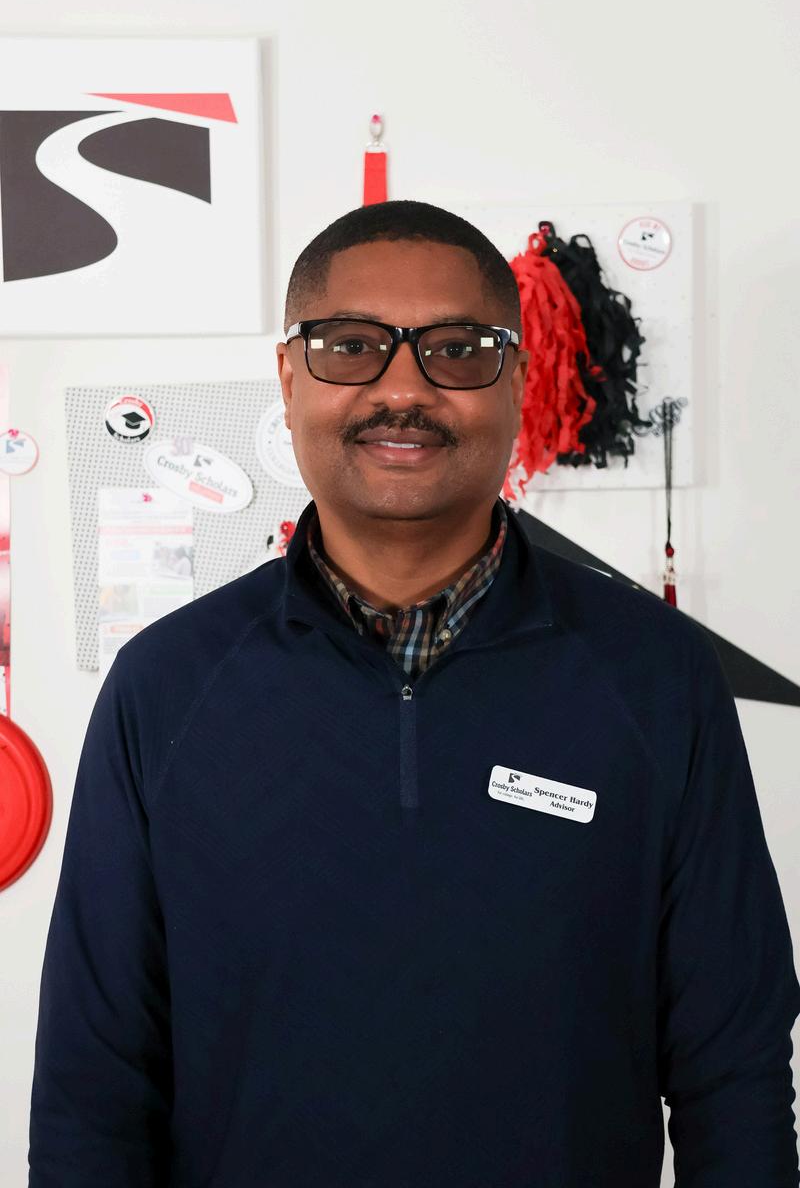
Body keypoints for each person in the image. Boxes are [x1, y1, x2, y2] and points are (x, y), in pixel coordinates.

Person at [28, 200, 800, 1187]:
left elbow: (732, 1070)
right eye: (351, 347)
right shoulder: (166, 688)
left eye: (456, 350)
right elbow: (92, 1092)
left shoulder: (656, 677)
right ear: (289, 379)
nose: (402, 389)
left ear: (517, 379)